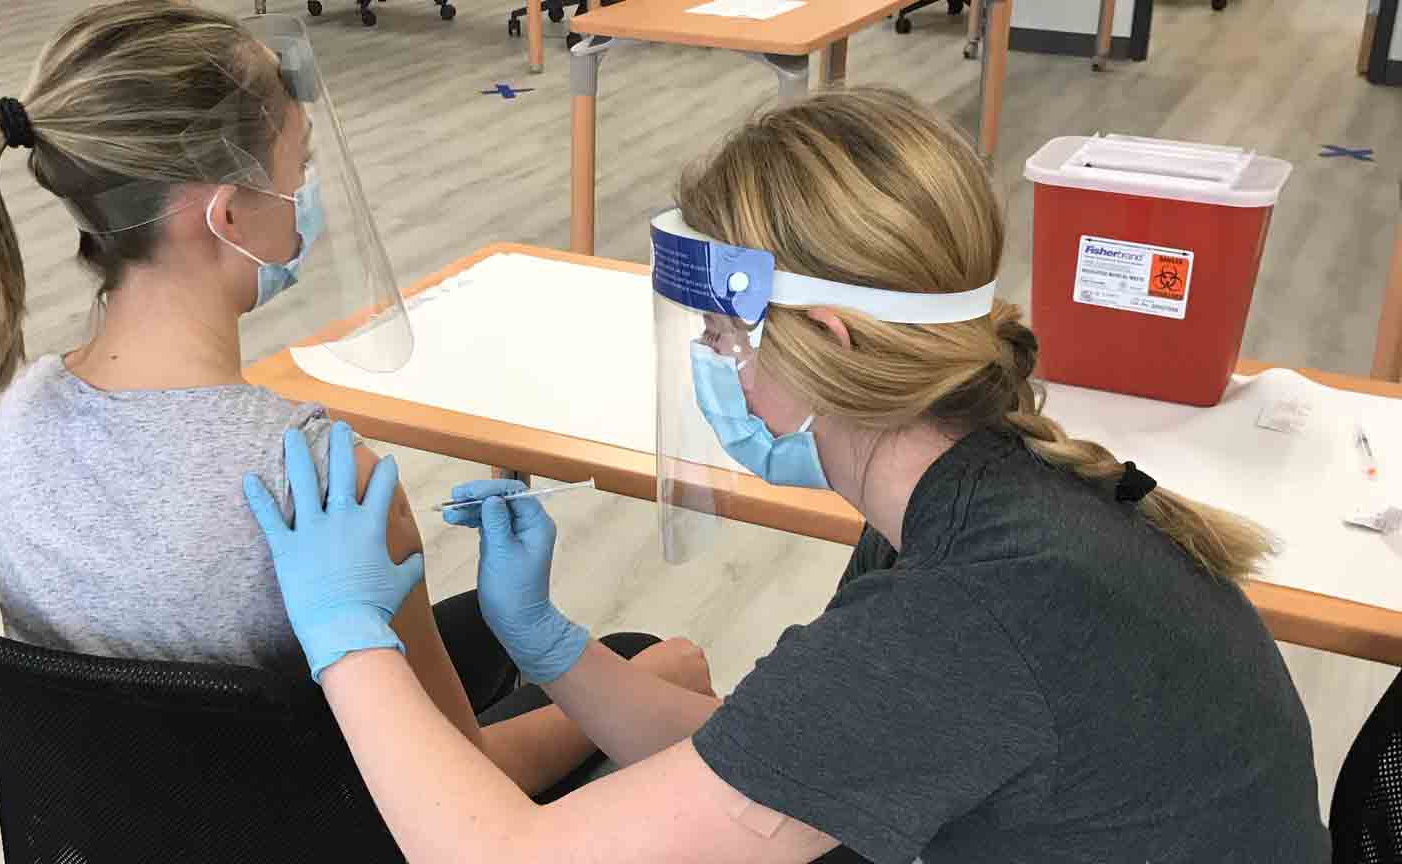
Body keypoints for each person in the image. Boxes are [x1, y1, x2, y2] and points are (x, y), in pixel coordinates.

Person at [244, 88, 1329, 862]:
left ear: (829, 344)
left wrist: (348, 633)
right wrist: (545, 642)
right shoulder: (974, 490)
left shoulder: (957, 619)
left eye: (724, 337)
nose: (717, 363)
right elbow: (757, 761)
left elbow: (501, 858)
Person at [0, 0, 709, 800]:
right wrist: (662, 682)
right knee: (648, 656)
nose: (307, 194)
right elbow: (470, 782)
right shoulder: (327, 485)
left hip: (129, 815)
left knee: (484, 628)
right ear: (227, 215)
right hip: (332, 820)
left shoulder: (23, 414)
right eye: (297, 170)